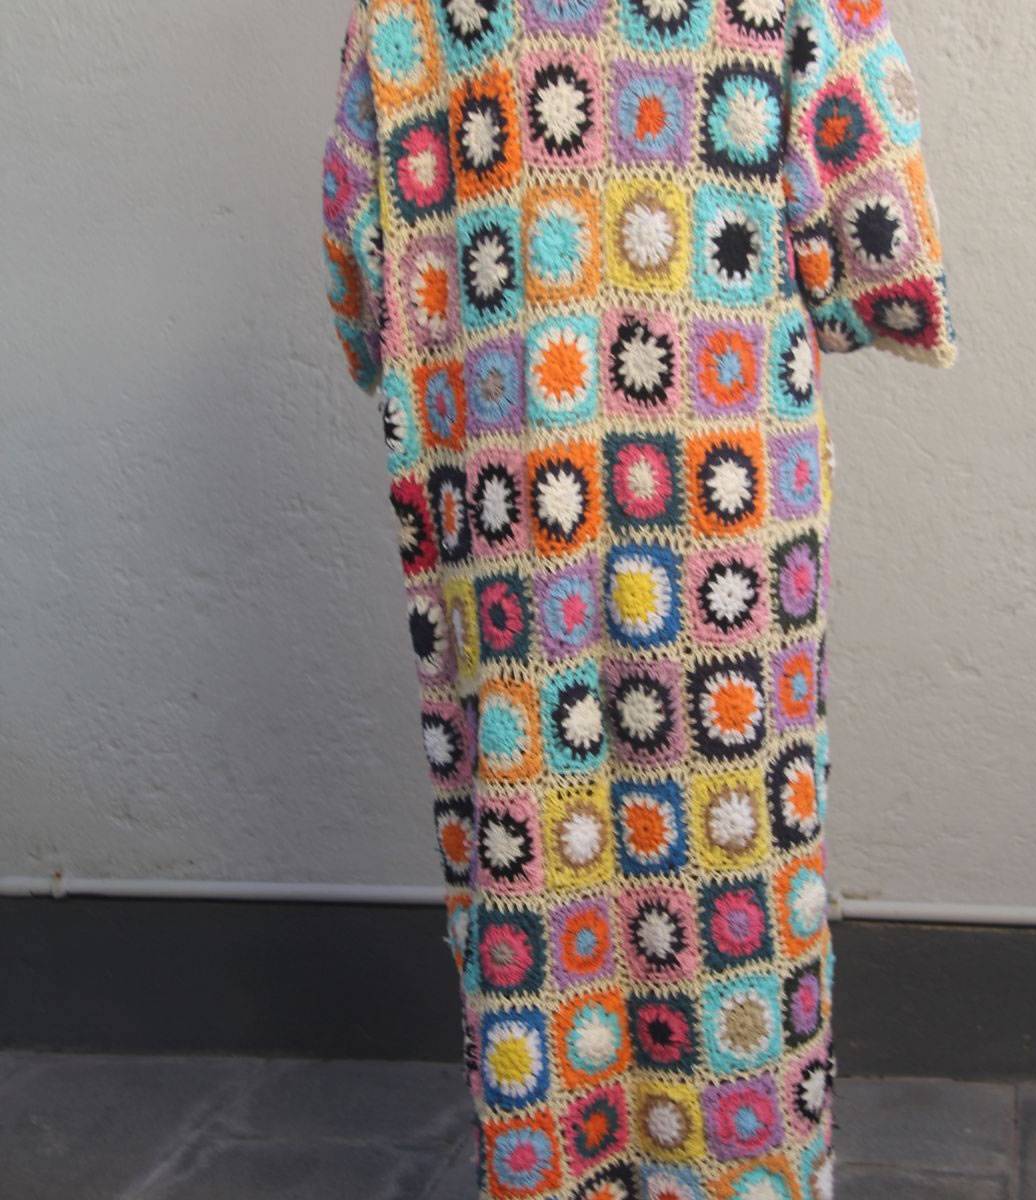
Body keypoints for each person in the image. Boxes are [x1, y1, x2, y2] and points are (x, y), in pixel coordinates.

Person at [321, 0, 955, 1194]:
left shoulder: (404, 17)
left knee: (529, 827)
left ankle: (552, 1156)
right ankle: (747, 1162)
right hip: (725, 518)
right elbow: (885, 253)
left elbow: (361, 267)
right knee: (738, 836)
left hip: (512, 519)